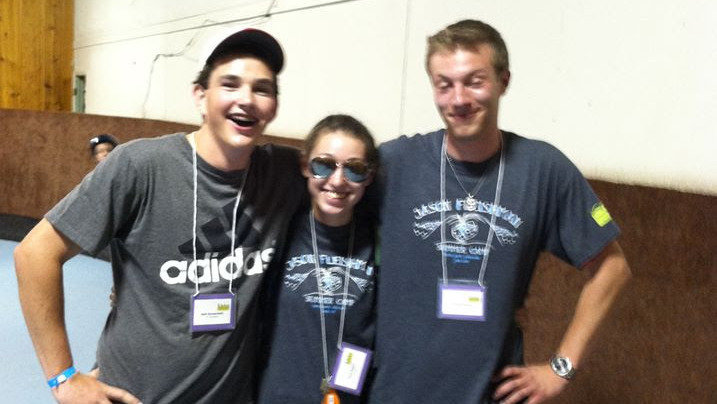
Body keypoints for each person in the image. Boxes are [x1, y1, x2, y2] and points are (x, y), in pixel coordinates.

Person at [14, 28, 305, 403]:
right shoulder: (141, 165)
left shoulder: (283, 173)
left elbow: (347, 164)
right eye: (230, 84)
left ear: (274, 106)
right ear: (200, 96)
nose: (246, 99)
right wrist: (63, 378)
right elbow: (34, 254)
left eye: (262, 89)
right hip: (133, 395)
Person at [366, 19, 631, 403]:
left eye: (474, 82)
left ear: (504, 81)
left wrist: (561, 368)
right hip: (394, 392)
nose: (458, 99)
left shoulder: (543, 170)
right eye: (444, 85)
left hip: (491, 393)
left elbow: (613, 268)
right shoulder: (395, 163)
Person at [257, 114, 378, 403]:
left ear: (369, 177)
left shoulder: (380, 244)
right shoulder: (278, 234)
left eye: (354, 169)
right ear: (305, 166)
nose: (337, 181)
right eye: (324, 165)